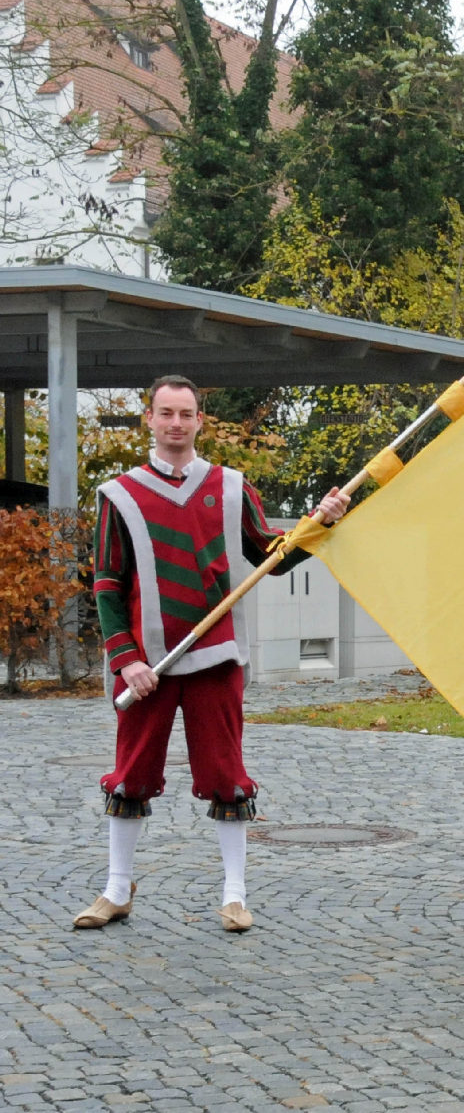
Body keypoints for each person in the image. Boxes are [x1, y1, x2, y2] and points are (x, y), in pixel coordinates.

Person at [74, 376, 349, 934]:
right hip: (146, 665)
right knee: (132, 773)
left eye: (187, 414)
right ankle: (116, 889)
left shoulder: (230, 487)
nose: (176, 423)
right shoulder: (119, 494)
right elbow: (106, 583)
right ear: (148, 419)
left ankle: (234, 894)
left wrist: (321, 522)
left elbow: (272, 555)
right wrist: (126, 658)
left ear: (201, 421)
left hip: (218, 655)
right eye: (166, 413)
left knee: (226, 774)